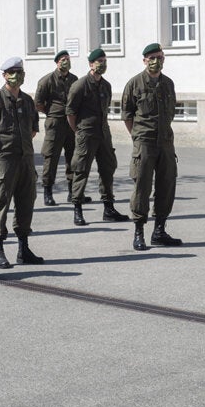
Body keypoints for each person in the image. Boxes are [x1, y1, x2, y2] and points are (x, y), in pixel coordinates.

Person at [0, 57, 43, 268]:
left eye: (19, 72)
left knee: (26, 204)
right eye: (11, 72)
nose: (16, 76)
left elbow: (33, 130)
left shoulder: (27, 101)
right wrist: (0, 146)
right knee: (1, 203)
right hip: (4, 161)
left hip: (26, 160)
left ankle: (24, 249)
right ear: (4, 75)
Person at [121, 43, 181, 251]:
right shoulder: (134, 84)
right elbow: (127, 116)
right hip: (144, 143)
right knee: (142, 188)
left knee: (167, 186)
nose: (156, 61)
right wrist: (138, 136)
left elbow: (171, 112)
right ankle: (139, 232)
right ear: (145, 60)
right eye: (152, 58)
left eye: (160, 57)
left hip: (165, 142)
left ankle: (159, 231)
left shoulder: (168, 83)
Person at [65, 48, 129, 227]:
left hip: (103, 133)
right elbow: (70, 113)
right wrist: (78, 131)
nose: (102, 64)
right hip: (86, 134)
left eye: (104, 61)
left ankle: (108, 208)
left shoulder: (106, 85)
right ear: (91, 64)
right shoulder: (80, 85)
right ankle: (77, 209)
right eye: (99, 61)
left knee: (108, 168)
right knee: (81, 170)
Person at [34, 49, 89, 206]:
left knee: (73, 157)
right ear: (57, 62)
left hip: (71, 123)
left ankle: (73, 192)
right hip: (55, 123)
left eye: (68, 58)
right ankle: (48, 192)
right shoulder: (46, 81)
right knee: (51, 157)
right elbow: (38, 103)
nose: (66, 61)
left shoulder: (74, 79)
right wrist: (52, 112)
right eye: (63, 59)